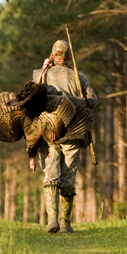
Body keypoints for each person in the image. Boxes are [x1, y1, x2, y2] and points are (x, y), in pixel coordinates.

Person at [33, 40, 97, 233]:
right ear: (69, 57)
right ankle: (65, 223)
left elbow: (30, 96)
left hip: (47, 132)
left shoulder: (39, 75)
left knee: (50, 174)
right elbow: (92, 101)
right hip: (73, 132)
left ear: (52, 56)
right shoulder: (79, 77)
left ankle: (52, 219)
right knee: (68, 175)